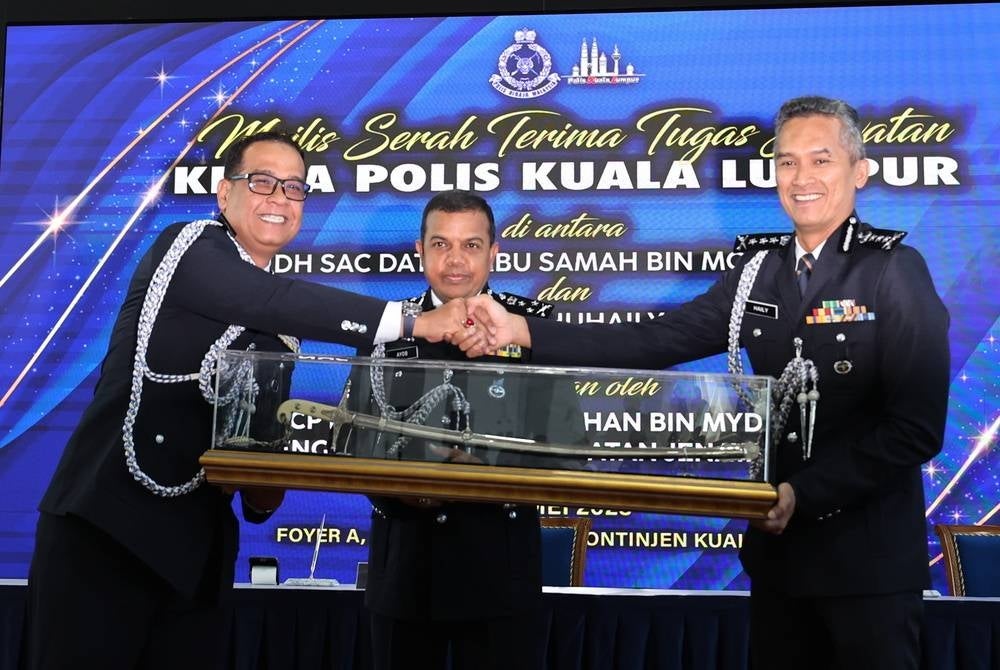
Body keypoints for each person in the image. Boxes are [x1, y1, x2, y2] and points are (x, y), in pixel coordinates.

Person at [463, 96, 950, 670]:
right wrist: (523, 329)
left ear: (859, 171)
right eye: (787, 162)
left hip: (868, 569)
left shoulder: (894, 269)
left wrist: (804, 494)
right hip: (780, 561)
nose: (802, 178)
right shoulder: (755, 272)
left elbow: (915, 430)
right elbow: (651, 341)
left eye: (821, 160)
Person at [24, 132, 477, 669]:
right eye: (262, 182)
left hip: (198, 558)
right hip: (106, 534)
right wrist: (412, 320)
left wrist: (275, 472)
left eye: (294, 189)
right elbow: (268, 298)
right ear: (223, 194)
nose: (279, 198)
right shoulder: (187, 245)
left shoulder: (283, 337)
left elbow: (259, 488)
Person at [344, 190, 575, 670]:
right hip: (405, 574)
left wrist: (483, 474)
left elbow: (566, 451)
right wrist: (402, 489)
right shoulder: (387, 330)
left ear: (494, 252)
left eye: (471, 245)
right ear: (419, 250)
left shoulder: (532, 331)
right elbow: (353, 445)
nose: (455, 261)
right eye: (441, 244)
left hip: (501, 578)